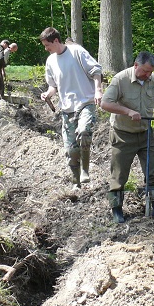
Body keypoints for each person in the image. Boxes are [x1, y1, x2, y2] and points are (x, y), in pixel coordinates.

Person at [100, 52, 154, 223]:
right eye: (145, 71)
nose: (148, 75)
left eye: (150, 72)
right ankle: (117, 210)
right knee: (119, 174)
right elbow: (105, 103)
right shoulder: (120, 79)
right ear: (136, 65)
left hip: (146, 133)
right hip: (122, 134)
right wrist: (128, 111)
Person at [39, 27, 103, 188]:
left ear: (56, 41)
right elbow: (53, 86)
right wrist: (48, 94)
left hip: (85, 102)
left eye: (47, 45)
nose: (46, 49)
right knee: (71, 149)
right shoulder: (51, 61)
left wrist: (98, 90)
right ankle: (76, 182)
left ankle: (85, 171)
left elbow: (96, 71)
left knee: (84, 131)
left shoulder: (76, 52)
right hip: (67, 109)